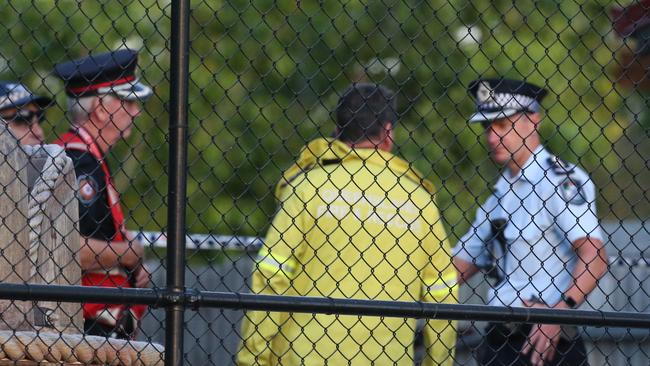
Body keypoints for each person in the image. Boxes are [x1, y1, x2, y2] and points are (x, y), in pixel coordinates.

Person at [237, 83, 458, 366]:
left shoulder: (307, 188)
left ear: (339, 132)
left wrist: (252, 357)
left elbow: (271, 278)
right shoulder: (419, 201)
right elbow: (442, 294)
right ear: (388, 132)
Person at [452, 78, 608, 366]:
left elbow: (594, 256)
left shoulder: (559, 181)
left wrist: (559, 312)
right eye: (487, 127)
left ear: (532, 120)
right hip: (497, 341)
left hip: (546, 342)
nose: (491, 137)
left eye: (502, 125)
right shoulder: (498, 196)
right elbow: (456, 267)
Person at [52, 49, 153, 339]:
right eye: (128, 101)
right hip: (85, 329)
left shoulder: (83, 157)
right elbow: (70, 248)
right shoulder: (80, 164)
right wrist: (130, 254)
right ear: (100, 108)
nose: (136, 111)